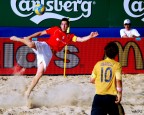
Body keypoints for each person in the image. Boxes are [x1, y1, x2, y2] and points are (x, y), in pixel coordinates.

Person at [10, 18, 99, 99]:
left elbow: (81, 39)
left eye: (65, 24)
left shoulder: (70, 36)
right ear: (60, 25)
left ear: (67, 26)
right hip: (46, 46)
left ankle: (27, 92)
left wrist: (90, 36)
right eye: (62, 24)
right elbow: (40, 33)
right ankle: (18, 39)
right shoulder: (55, 29)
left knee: (39, 74)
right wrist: (29, 37)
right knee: (31, 44)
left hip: (48, 54)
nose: (63, 26)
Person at [90, 42, 123, 115]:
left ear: (105, 52)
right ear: (116, 53)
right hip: (111, 98)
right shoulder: (117, 65)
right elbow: (118, 81)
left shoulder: (98, 64)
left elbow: (91, 80)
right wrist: (119, 94)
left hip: (98, 97)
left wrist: (101, 82)